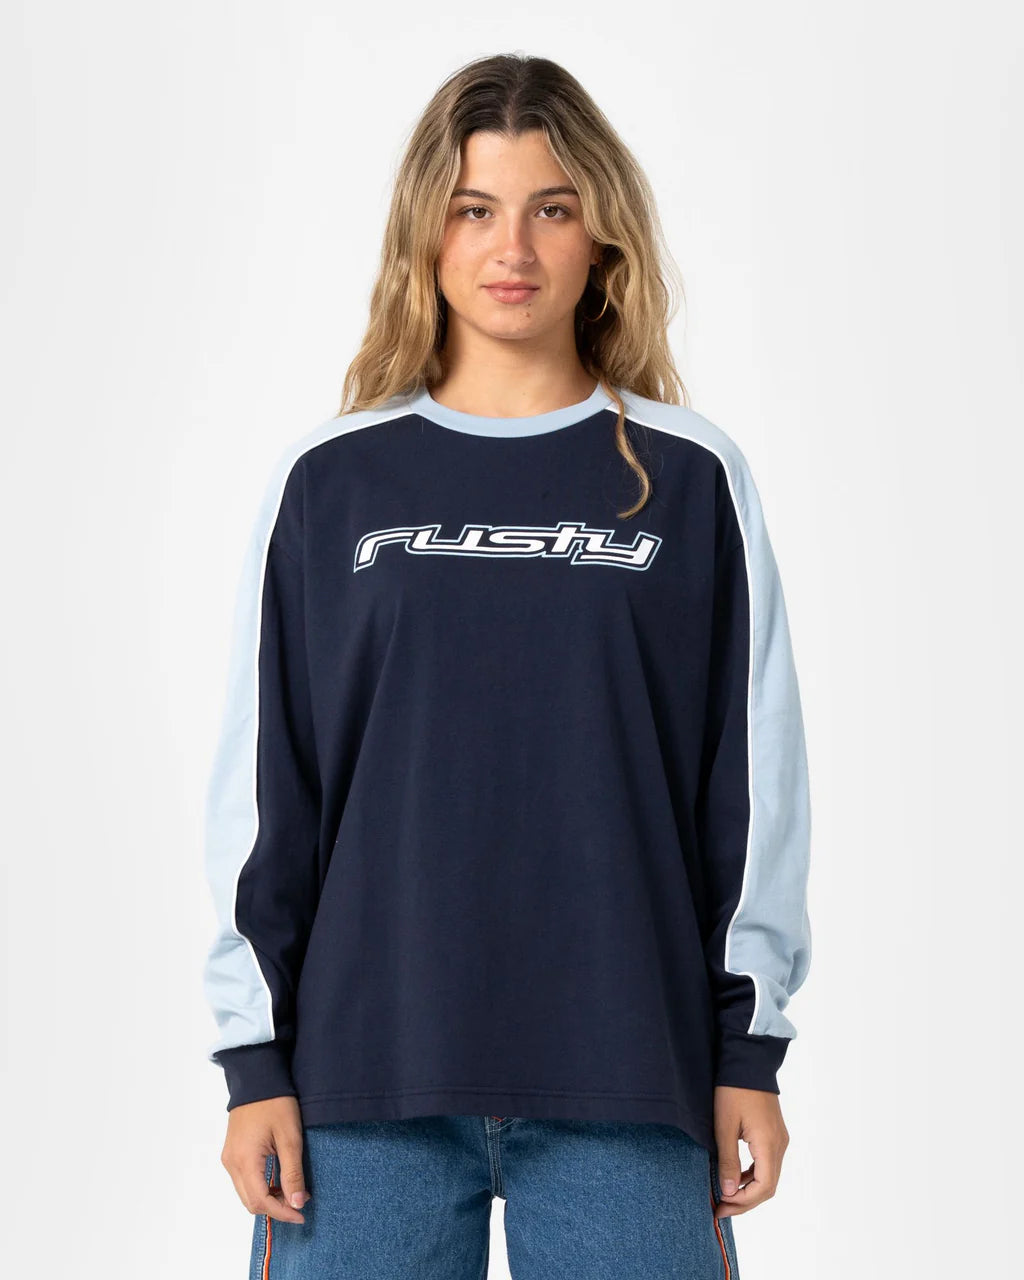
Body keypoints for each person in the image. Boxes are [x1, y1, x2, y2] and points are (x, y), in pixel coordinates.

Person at [202, 52, 812, 1280]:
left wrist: (748, 1049)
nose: (512, 248)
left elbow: (749, 785)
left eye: (552, 208)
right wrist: (252, 1060)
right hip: (361, 1081)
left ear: (602, 235)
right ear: (425, 233)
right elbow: (270, 788)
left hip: (627, 1072)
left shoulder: (690, 476)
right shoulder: (331, 481)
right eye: (474, 209)